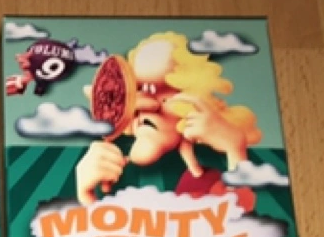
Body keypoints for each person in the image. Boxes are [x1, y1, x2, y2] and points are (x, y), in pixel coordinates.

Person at [75, 32, 262, 206]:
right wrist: (86, 196)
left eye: (162, 94)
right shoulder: (111, 167)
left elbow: (240, 219)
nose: (146, 106)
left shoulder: (208, 169)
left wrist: (235, 151)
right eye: (137, 90)